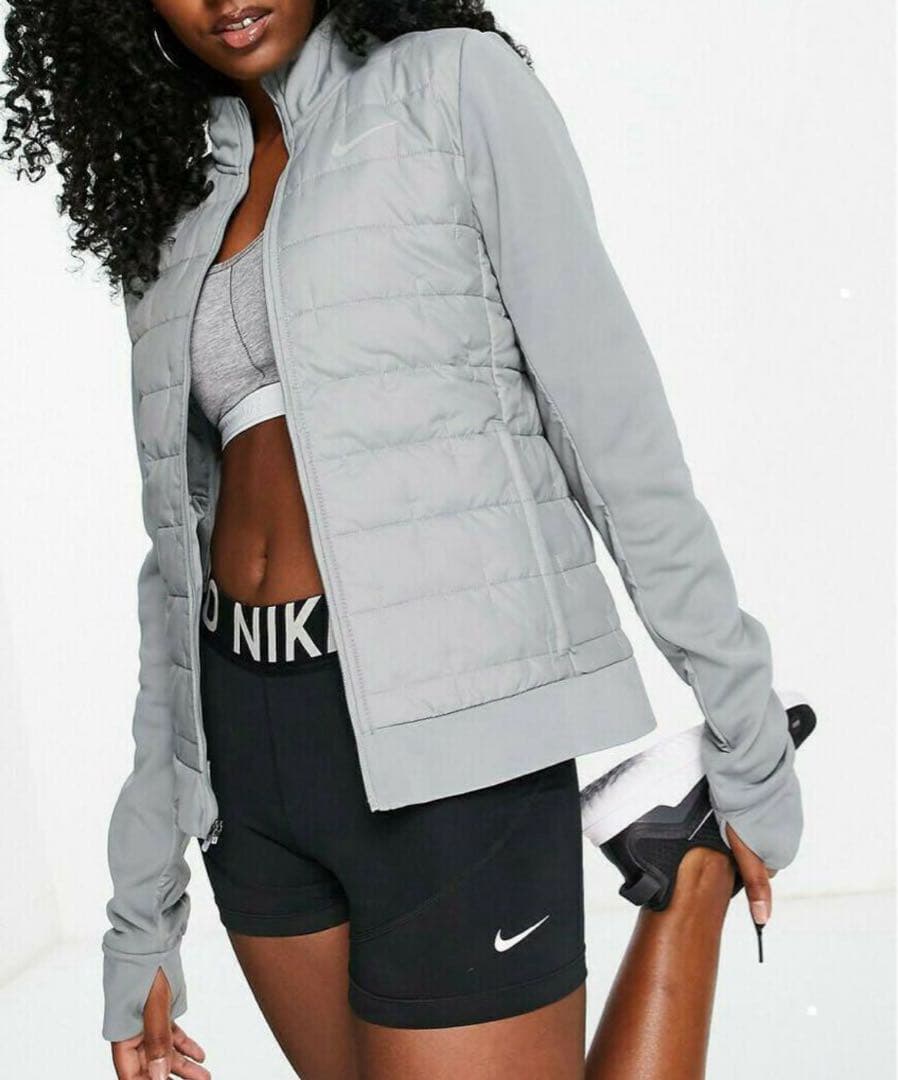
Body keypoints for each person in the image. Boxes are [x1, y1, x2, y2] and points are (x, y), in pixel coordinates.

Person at [1, 2, 805, 1077]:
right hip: (250, 751)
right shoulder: (176, 202)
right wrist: (141, 911)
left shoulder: (452, 87)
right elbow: (172, 565)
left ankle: (690, 868)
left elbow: (610, 429)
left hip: (452, 733)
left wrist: (745, 726)